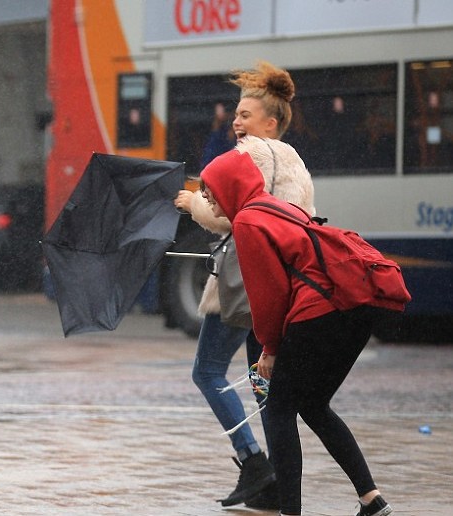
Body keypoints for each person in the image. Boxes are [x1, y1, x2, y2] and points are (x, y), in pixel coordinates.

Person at [198, 149, 394, 516]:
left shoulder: (247, 223)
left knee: (278, 410)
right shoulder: (275, 207)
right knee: (313, 405)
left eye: (209, 189)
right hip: (355, 306)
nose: (206, 197)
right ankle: (372, 500)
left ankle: (290, 512)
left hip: (321, 311)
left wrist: (269, 349)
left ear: (228, 186)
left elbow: (270, 296)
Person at [173, 60, 312, 509]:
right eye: (235, 115)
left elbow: (227, 216)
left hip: (245, 281)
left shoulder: (250, 154)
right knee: (263, 384)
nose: (236, 122)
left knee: (208, 371)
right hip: (284, 286)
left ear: (270, 123)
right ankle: (276, 487)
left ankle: (253, 461)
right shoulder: (297, 163)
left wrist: (192, 202)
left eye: (245, 116)